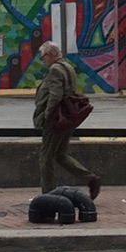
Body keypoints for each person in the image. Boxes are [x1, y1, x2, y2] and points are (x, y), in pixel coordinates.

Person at [33, 41, 100, 200]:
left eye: (43, 57)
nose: (43, 60)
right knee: (60, 155)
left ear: (50, 55)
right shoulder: (68, 67)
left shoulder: (55, 70)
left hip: (56, 119)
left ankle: (48, 194)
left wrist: (47, 115)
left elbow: (55, 95)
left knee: (46, 158)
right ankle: (90, 179)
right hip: (67, 118)